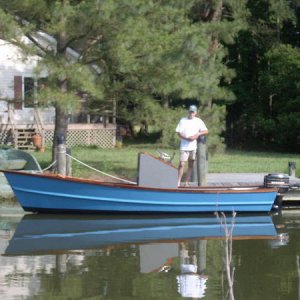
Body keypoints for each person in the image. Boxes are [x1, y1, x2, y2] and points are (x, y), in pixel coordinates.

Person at [176, 105, 208, 186]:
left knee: (191, 164)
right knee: (182, 164)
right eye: (190, 111)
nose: (191, 113)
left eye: (193, 112)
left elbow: (206, 131)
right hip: (184, 146)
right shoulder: (183, 120)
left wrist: (198, 134)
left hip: (193, 147)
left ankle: (186, 182)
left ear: (195, 113)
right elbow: (178, 133)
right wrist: (186, 138)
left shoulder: (198, 121)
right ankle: (178, 182)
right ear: (188, 112)